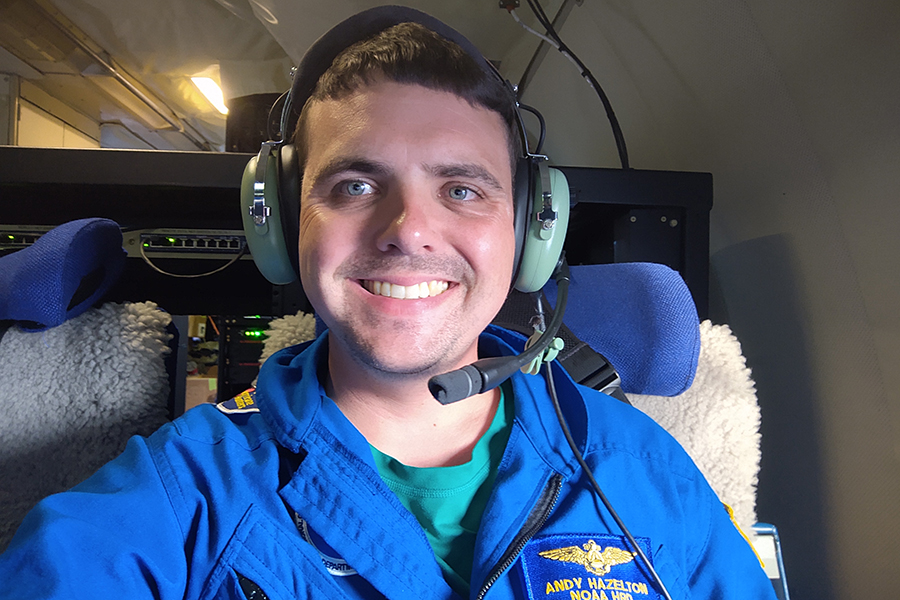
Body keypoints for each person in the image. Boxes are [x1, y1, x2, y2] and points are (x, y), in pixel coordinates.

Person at [0, 6, 776, 600]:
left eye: (461, 189)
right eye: (355, 185)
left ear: (529, 232)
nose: (408, 230)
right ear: (282, 226)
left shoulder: (643, 469)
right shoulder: (183, 496)